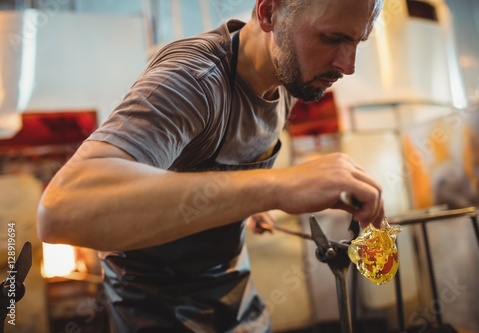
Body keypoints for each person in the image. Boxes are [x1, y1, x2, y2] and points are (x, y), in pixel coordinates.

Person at [38, 0, 385, 331]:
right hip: (157, 308)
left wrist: (248, 205)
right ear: (268, 13)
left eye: (357, 41)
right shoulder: (194, 80)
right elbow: (61, 210)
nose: (348, 65)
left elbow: (203, 167)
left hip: (232, 290)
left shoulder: (292, 77)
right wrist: (277, 187)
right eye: (332, 38)